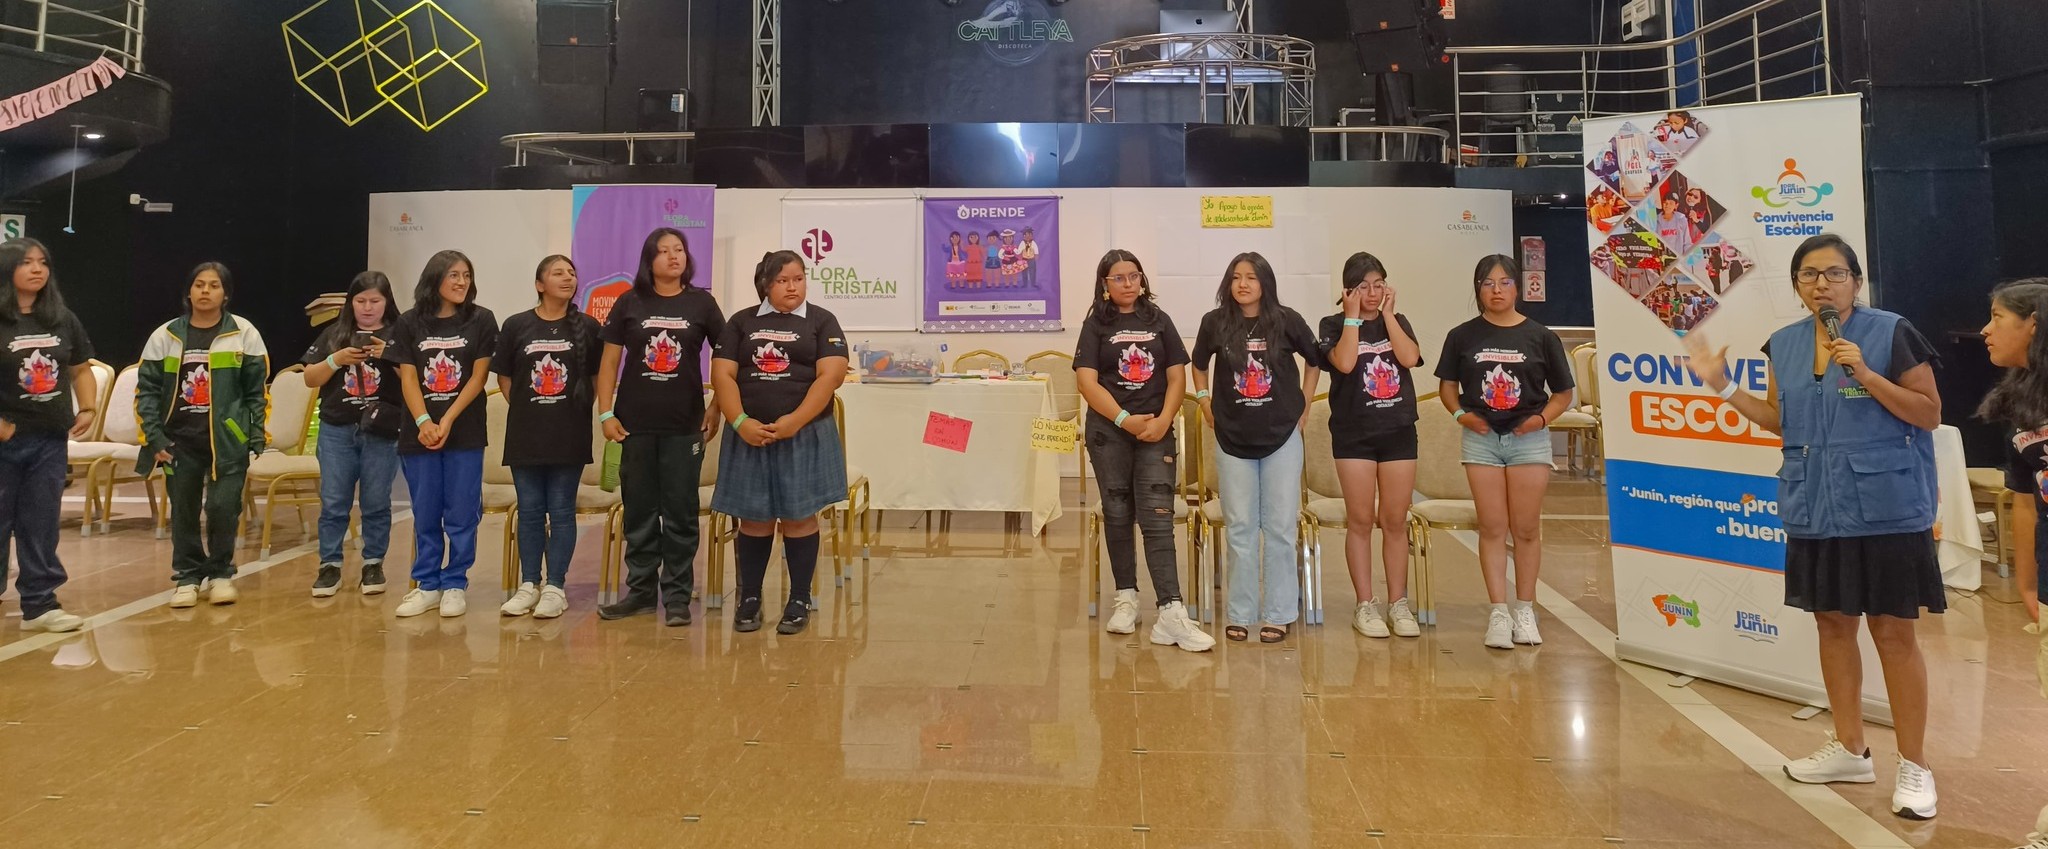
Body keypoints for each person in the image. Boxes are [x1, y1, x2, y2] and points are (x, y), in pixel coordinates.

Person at [1687, 233, 1942, 821]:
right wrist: (1722, 385)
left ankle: (1915, 765)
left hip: (1884, 505)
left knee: (1893, 633)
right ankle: (1851, 749)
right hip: (1816, 504)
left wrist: (1866, 373)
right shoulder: (1784, 343)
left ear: (1856, 281)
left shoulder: (1891, 332)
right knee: (1832, 625)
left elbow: (1928, 413)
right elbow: (1782, 420)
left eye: (1834, 273)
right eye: (1809, 274)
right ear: (1797, 285)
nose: (1821, 284)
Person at [1074, 249, 1213, 652]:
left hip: (1156, 431)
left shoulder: (1158, 320)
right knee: (1117, 513)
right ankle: (1126, 598)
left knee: (1157, 516)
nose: (1128, 283)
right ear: (1105, 284)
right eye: (1118, 278)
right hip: (1110, 432)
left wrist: (1164, 420)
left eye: (1134, 275)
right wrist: (1123, 420)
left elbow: (1177, 377)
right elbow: (1086, 382)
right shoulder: (1095, 324)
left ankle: (1170, 611)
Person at [1435, 254, 1574, 650]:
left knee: (1526, 528)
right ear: (1478, 289)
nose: (1496, 290)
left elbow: (1563, 393)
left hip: (1528, 439)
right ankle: (1498, 612)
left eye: (1504, 283)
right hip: (1481, 440)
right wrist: (1460, 415)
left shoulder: (1541, 336)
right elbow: (1447, 387)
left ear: (1517, 288)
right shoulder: (1462, 336)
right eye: (1487, 283)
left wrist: (1541, 420)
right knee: (1492, 526)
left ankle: (1525, 610)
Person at [710, 251, 848, 635]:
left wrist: (795, 421)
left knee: (799, 518)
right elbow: (722, 375)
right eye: (783, 280)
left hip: (803, 434)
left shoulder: (822, 320)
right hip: (749, 435)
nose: (792, 287)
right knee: (754, 519)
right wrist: (740, 422)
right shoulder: (742, 322)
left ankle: (799, 599)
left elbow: (831, 376)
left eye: (798, 279)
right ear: (765, 284)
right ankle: (750, 598)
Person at [596, 228, 725, 626]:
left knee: (681, 512)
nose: (674, 256)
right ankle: (640, 592)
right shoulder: (629, 301)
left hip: (684, 426)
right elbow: (609, 362)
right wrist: (605, 413)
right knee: (639, 511)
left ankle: (677, 597)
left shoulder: (702, 303)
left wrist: (717, 406)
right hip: (633, 425)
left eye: (679, 250)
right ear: (648, 259)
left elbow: (726, 359)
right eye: (664, 251)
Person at [1192, 252, 1321, 644]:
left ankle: (1279, 613)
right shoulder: (1214, 322)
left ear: (1265, 281)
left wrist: (1305, 404)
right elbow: (1198, 364)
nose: (1242, 284)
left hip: (1281, 437)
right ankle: (1241, 612)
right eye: (1236, 277)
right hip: (1232, 439)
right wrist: (1204, 400)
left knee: (1280, 527)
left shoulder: (1287, 320)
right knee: (1241, 527)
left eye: (1251, 277)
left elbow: (1314, 360)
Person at [136, 263, 270, 609]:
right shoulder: (165, 336)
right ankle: (187, 576)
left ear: (226, 294)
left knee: (223, 507)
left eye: (214, 285)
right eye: (199, 284)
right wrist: (154, 438)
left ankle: (221, 574)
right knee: (184, 510)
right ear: (189, 292)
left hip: (228, 442)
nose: (205, 291)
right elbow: (147, 392)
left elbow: (257, 392)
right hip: (177, 442)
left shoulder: (244, 333)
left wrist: (255, 434)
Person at [387, 250, 498, 618]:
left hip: (464, 431)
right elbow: (408, 378)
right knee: (426, 512)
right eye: (453, 275)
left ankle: (455, 583)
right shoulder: (408, 322)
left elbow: (478, 378)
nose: (462, 282)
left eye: (466, 275)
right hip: (419, 434)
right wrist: (424, 422)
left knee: (462, 512)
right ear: (434, 279)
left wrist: (446, 420)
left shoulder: (482, 319)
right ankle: (427, 584)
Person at [1318, 252, 1424, 639]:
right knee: (1361, 520)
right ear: (1348, 290)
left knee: (1394, 520)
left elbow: (1409, 357)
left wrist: (1389, 316)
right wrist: (1352, 318)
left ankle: (1399, 603)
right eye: (1363, 286)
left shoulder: (1398, 321)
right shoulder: (1332, 325)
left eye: (1379, 284)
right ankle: (1365, 604)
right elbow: (1345, 363)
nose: (1373, 292)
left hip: (1398, 431)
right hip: (1353, 434)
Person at [1977, 279, 2048, 849]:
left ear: (2034, 324)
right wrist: (2026, 582)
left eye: (1998, 317)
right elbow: (2024, 501)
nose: (1985, 329)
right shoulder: (2020, 403)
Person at [495, 255, 600, 619]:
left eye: (571, 272)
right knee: (529, 511)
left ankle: (555, 587)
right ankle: (529, 584)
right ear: (540, 284)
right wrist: (531, 408)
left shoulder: (588, 327)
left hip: (569, 434)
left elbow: (597, 379)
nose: (567, 278)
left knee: (561, 510)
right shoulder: (516, 325)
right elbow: (505, 378)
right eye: (558, 273)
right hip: (526, 433)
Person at [0, 238, 94, 632]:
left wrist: (87, 407)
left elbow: (80, 368)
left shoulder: (61, 318)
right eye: (26, 262)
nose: (37, 269)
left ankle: (40, 605)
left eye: (43, 262)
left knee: (40, 523)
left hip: (49, 441)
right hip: (5, 441)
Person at [302, 271, 403, 598]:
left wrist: (386, 354)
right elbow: (310, 378)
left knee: (376, 501)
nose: (368, 308)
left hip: (381, 430)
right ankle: (329, 565)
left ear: (387, 302)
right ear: (351, 303)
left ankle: (373, 563)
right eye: (361, 301)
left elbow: (415, 377)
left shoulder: (398, 334)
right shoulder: (335, 333)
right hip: (337, 428)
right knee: (333, 501)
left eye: (375, 301)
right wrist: (337, 359)